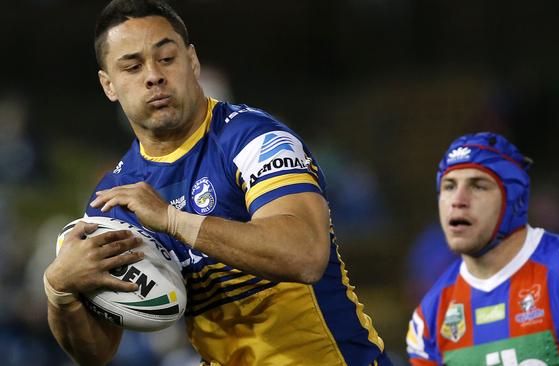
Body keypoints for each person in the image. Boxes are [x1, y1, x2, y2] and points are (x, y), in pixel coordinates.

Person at [43, 1, 391, 365]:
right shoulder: (115, 200)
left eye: (166, 59)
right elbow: (96, 351)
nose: (153, 76)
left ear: (192, 62)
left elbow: (305, 254)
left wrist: (173, 221)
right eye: (132, 66)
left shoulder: (253, 138)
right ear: (108, 85)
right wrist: (60, 289)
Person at [406, 132, 559, 365]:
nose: (458, 200)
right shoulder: (429, 318)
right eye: (448, 186)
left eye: (478, 185)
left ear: (514, 199)